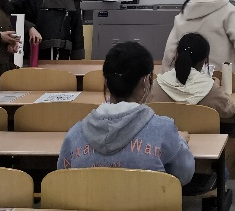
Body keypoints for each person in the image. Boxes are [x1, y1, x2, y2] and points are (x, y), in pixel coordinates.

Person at [148, 32, 235, 205]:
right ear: (204, 61)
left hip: (165, 159)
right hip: (206, 162)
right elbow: (229, 110)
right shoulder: (210, 88)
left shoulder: (156, 85)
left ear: (176, 55)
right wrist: (218, 87)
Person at [57, 41, 194, 185]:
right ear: (146, 81)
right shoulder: (164, 131)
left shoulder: (74, 135)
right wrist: (179, 142)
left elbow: (63, 180)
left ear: (106, 82)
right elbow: (185, 175)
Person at [162, 0, 235, 83]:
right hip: (222, 80)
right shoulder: (229, 11)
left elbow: (170, 50)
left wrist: (167, 75)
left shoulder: (185, 12)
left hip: (186, 79)